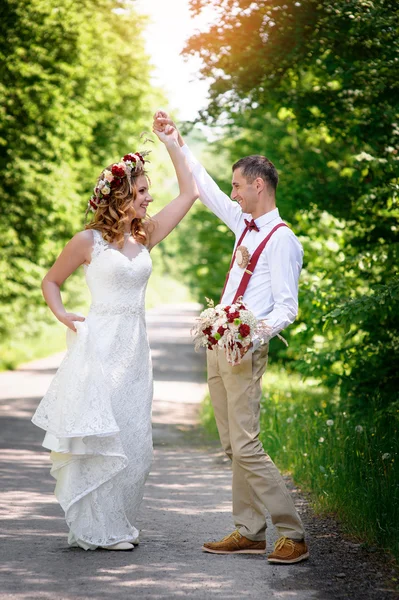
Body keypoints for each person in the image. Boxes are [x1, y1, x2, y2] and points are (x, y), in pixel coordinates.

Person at [32, 124, 198, 551]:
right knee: (102, 438)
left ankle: (117, 522)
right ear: (119, 195)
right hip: (99, 349)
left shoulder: (146, 235)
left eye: (147, 191)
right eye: (141, 191)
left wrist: (172, 144)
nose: (148, 198)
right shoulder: (87, 241)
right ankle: (97, 529)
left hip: (135, 354)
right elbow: (51, 282)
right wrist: (64, 315)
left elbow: (190, 193)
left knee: (136, 444)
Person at [153, 111, 309, 564]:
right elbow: (203, 186)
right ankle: (249, 529)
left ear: (259, 185)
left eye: (239, 185)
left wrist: (250, 335)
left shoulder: (283, 241)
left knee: (246, 444)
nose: (234, 192)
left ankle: (292, 533)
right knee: (230, 445)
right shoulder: (242, 222)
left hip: (244, 349)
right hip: (217, 347)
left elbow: (287, 308)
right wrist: (174, 143)